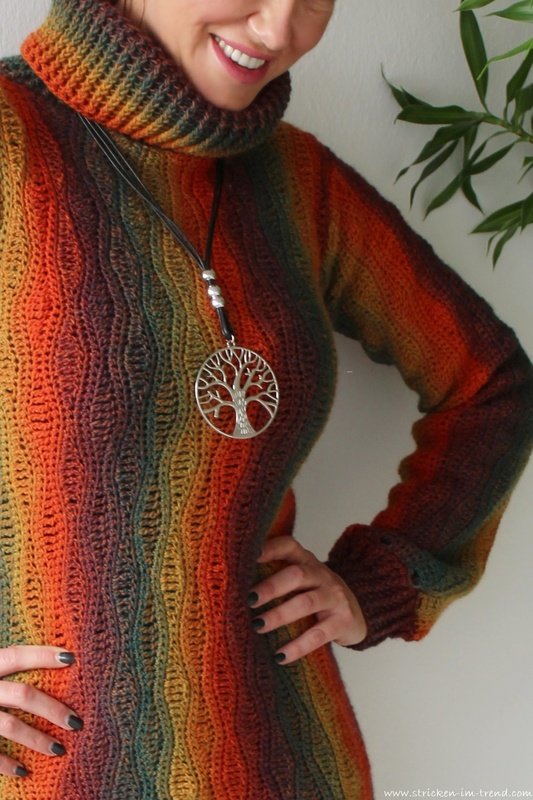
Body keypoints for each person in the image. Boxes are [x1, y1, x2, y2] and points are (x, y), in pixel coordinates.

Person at [0, 0, 531, 796]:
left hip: (280, 759)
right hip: (50, 771)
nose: (280, 29)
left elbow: (490, 385)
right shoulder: (13, 138)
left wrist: (381, 580)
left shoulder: (295, 184)